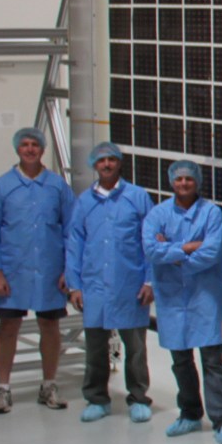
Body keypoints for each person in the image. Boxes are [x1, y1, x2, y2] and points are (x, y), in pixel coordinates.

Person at [0, 126, 75, 414]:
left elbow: (72, 230)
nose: (30, 149)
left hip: (49, 271)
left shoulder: (57, 187)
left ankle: (49, 384)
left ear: (43, 149)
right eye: (25, 144)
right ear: (17, 149)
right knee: (8, 327)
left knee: (50, 326)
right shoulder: (1, 187)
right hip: (13, 271)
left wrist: (68, 270)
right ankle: (3, 388)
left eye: (35, 144)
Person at [63, 141, 154, 423]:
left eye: (111, 160)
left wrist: (150, 281)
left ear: (119, 163)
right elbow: (74, 244)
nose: (106, 165)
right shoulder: (84, 203)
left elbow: (150, 242)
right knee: (95, 348)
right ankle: (97, 399)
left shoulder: (138, 198)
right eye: (101, 160)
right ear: (94, 165)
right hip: (94, 286)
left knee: (136, 349)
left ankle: (138, 398)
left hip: (130, 286)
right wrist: (74, 285)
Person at [146, 160, 222, 444]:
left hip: (204, 296)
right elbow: (150, 249)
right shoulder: (157, 213)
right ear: (171, 181)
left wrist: (171, 253)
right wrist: (186, 247)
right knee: (180, 360)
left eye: (188, 178)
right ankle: (189, 414)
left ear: (197, 181)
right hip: (171, 298)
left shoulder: (211, 213)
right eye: (179, 178)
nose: (183, 183)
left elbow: (210, 252)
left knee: (212, 360)